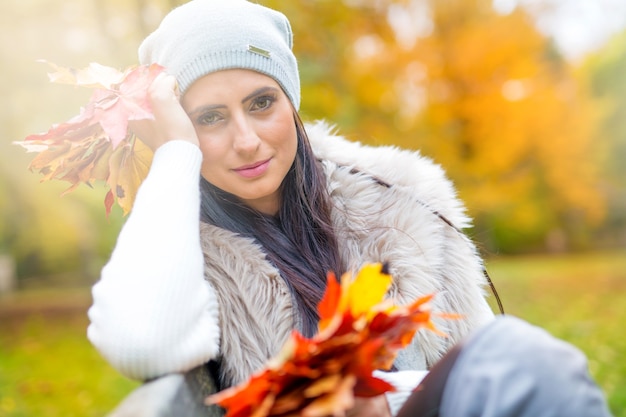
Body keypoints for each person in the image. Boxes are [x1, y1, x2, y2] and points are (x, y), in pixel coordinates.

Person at [86, 1, 610, 416]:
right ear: (179, 124)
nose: (246, 141)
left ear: (292, 103)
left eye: (262, 103)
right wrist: (175, 154)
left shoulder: (400, 202)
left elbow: (476, 374)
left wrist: (388, 397)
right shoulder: (179, 247)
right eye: (210, 117)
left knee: (522, 358)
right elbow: (141, 342)